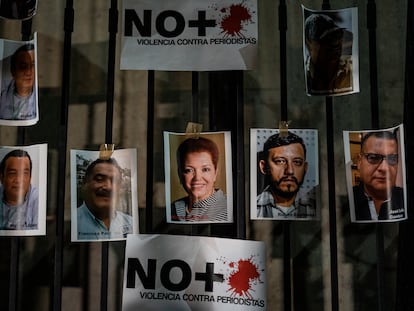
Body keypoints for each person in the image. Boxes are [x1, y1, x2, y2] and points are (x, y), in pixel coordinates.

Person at [257, 131, 316, 219]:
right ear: (263, 167)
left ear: (305, 168)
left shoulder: (318, 208)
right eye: (280, 161)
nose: (290, 171)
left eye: (297, 162)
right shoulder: (253, 209)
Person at [171, 136, 228, 222]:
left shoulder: (230, 208)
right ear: (180, 174)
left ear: (215, 173)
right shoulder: (173, 208)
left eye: (205, 169)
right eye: (189, 170)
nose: (197, 178)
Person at [353, 131, 405, 221]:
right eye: (373, 157)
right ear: (359, 161)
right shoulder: (346, 202)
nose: (384, 168)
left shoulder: (405, 198)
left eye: (392, 159)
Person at [77, 157, 133, 240]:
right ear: (85, 183)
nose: (108, 187)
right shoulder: (74, 222)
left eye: (114, 181)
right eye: (99, 179)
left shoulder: (130, 222)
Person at [304, 13, 353, 95]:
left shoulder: (351, 70)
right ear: (309, 45)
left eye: (338, 35)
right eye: (327, 39)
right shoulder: (301, 78)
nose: (336, 43)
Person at [0, 149, 38, 230]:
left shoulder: (38, 198)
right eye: (12, 173)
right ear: (2, 178)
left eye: (24, 173)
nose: (18, 180)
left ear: (30, 177)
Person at [0, 43, 37, 120]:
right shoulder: (2, 98)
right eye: (23, 66)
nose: (29, 72)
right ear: (13, 71)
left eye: (33, 65)